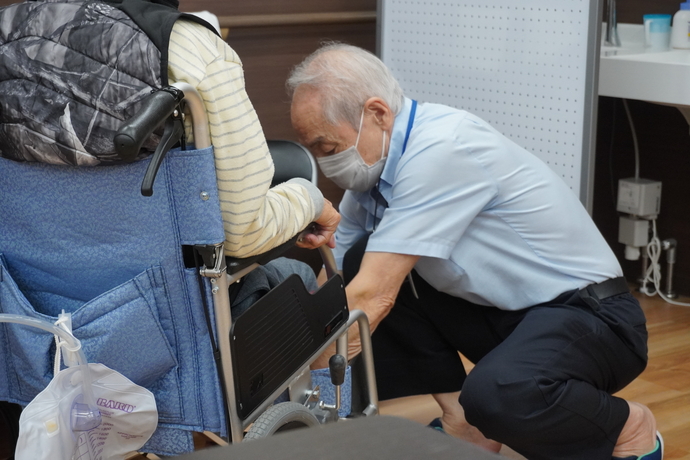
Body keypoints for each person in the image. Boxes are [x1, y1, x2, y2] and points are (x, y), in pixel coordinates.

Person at [287, 43, 661, 460]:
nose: (326, 166)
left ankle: (627, 426)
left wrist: (309, 385)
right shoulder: (375, 175)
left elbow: (372, 296)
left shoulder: (444, 148)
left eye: (328, 148)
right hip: (509, 317)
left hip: (594, 318)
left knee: (496, 394)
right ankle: (464, 426)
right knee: (362, 261)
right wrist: (301, 357)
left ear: (377, 114)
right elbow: (339, 279)